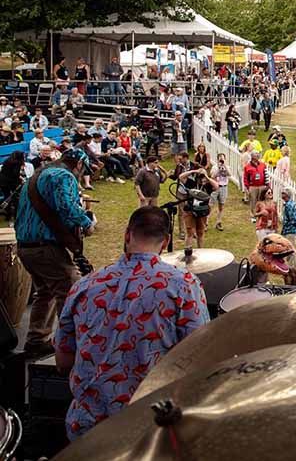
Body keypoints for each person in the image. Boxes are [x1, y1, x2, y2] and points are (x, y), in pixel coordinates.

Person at [55, 206, 208, 440]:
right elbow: (199, 357)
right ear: (166, 241)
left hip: (87, 432)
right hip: (150, 428)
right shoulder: (184, 285)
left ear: (127, 235)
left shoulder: (84, 286)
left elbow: (63, 361)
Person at [15, 149, 96, 357]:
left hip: (26, 246)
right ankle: (69, 346)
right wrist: (86, 223)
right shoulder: (63, 175)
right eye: (83, 169)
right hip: (45, 247)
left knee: (46, 291)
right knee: (71, 291)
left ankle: (36, 340)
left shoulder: (38, 176)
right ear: (78, 165)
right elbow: (67, 208)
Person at [178, 165, 218, 249]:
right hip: (190, 210)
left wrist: (206, 176)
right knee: (190, 232)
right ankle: (188, 250)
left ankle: (201, 251)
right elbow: (181, 177)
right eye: (200, 177)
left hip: (202, 211)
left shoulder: (208, 186)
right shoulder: (192, 183)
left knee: (200, 232)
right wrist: (194, 171)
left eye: (203, 178)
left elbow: (216, 186)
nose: (202, 179)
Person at [280, 189, 296, 271]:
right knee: (290, 250)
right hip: (290, 231)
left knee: (290, 251)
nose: (282, 194)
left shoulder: (289, 205)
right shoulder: (290, 204)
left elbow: (294, 219)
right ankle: (293, 268)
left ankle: (294, 269)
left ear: (288, 195)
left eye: (283, 193)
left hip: (290, 231)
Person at [243, 152, 268, 223]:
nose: (257, 158)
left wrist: (267, 184)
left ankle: (261, 215)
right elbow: (245, 178)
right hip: (253, 186)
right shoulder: (247, 167)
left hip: (262, 186)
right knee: (253, 201)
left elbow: (265, 175)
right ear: (252, 158)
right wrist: (247, 187)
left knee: (261, 201)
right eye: (255, 156)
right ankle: (253, 216)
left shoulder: (263, 165)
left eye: (257, 156)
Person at [211, 153, 231, 231]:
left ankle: (218, 222)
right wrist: (219, 168)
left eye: (223, 158)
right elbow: (213, 176)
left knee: (221, 206)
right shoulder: (214, 167)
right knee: (210, 205)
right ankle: (205, 223)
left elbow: (229, 174)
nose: (221, 160)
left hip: (224, 187)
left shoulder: (227, 167)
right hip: (216, 187)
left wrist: (224, 165)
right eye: (220, 159)